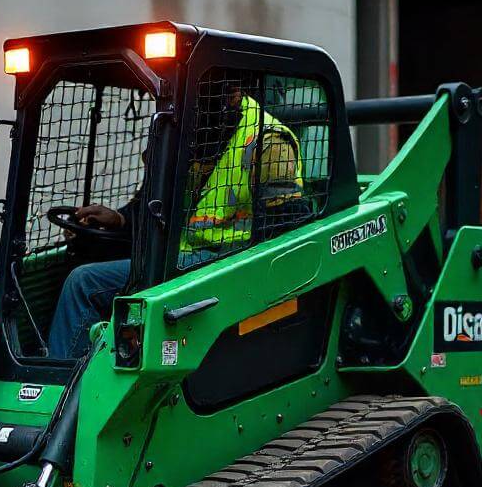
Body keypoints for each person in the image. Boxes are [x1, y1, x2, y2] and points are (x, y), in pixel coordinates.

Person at [47, 82, 302, 359]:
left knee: (83, 283)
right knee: (79, 265)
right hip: (182, 258)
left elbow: (287, 230)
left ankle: (63, 382)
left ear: (232, 94)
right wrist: (120, 220)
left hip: (230, 264)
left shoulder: (267, 142)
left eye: (195, 98)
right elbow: (158, 204)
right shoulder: (194, 133)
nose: (183, 107)